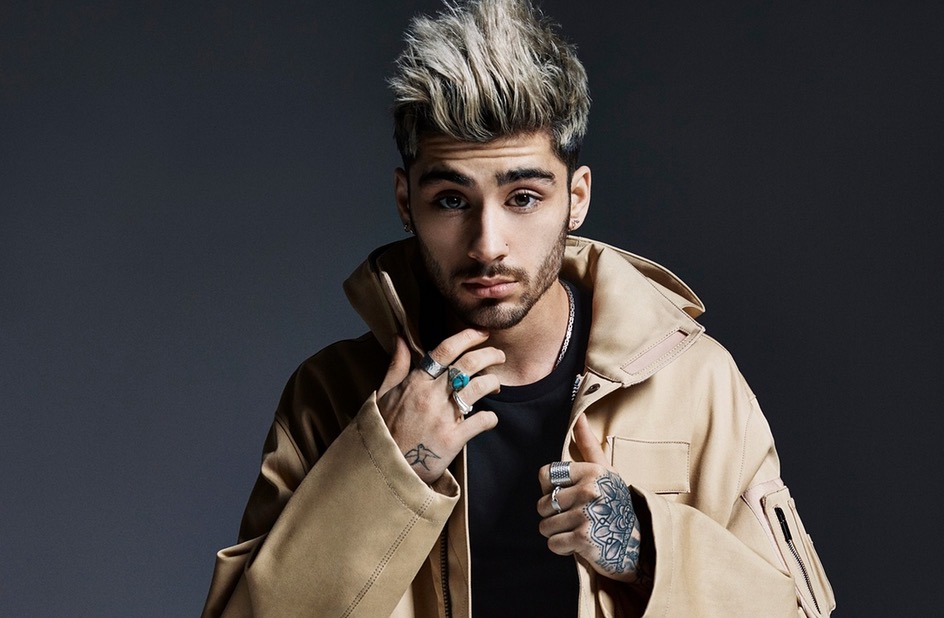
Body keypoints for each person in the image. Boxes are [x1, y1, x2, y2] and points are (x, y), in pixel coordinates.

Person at [201, 0, 835, 616]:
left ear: (576, 198)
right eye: (452, 200)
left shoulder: (696, 385)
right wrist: (388, 471)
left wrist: (646, 549)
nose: (487, 244)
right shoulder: (329, 396)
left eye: (523, 197)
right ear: (405, 201)